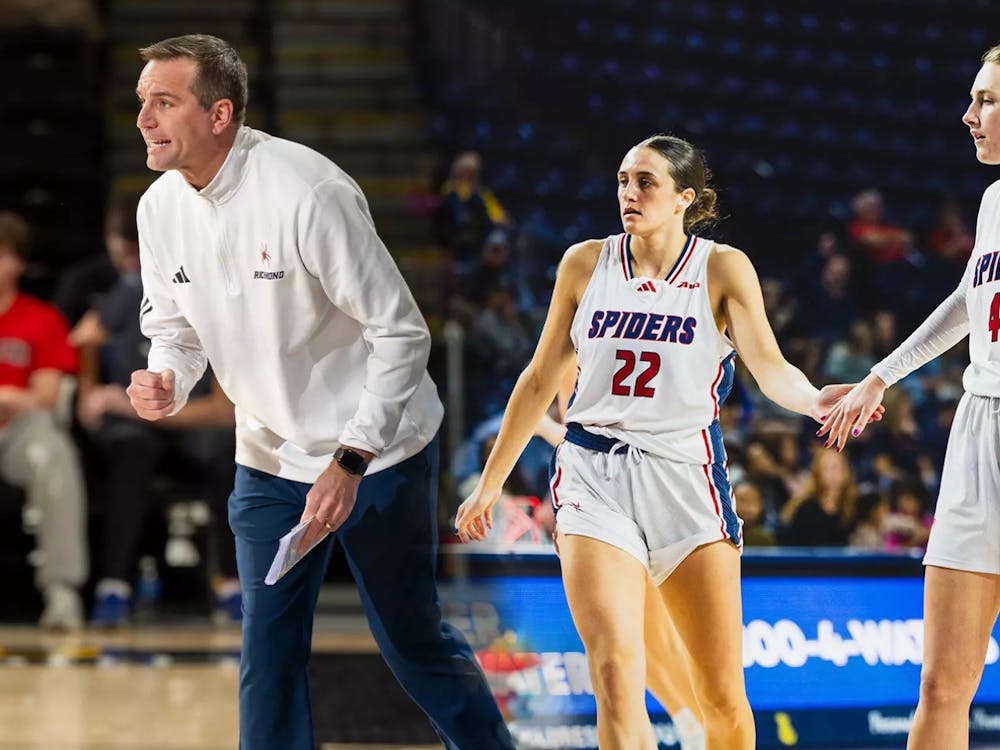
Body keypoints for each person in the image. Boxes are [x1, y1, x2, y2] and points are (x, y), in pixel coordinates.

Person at [125, 35, 513, 750]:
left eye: (164, 102)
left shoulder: (309, 193)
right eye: (142, 102)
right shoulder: (157, 210)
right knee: (266, 653)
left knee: (411, 641)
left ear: (219, 114)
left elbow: (402, 334)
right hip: (269, 455)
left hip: (381, 450)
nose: (143, 119)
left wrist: (350, 460)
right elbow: (174, 329)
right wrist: (167, 378)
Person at [456, 134, 881, 748]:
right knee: (614, 671)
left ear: (686, 197)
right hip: (593, 475)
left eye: (646, 182)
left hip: (684, 476)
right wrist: (491, 483)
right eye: (623, 180)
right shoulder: (585, 263)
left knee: (721, 699)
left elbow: (770, 367)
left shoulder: (722, 267)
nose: (629, 193)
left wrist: (815, 399)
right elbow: (540, 376)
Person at [820, 44, 1000, 750]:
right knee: (942, 684)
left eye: (987, 101)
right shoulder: (993, 202)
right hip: (978, 427)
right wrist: (880, 375)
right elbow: (966, 300)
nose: (968, 115)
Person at [69, 193, 239, 627]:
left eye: (139, 255)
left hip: (188, 419)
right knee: (131, 449)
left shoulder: (210, 289)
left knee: (230, 448)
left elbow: (223, 411)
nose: (135, 265)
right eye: (127, 255)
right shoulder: (124, 292)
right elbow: (84, 343)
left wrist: (125, 403)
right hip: (143, 421)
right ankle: (114, 585)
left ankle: (233, 583)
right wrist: (90, 385)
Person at [0, 211, 88, 629]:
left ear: (18, 261)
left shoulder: (41, 318)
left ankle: (61, 591)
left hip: (21, 433)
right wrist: (12, 394)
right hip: (15, 412)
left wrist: (12, 399)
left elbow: (46, 397)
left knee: (53, 452)